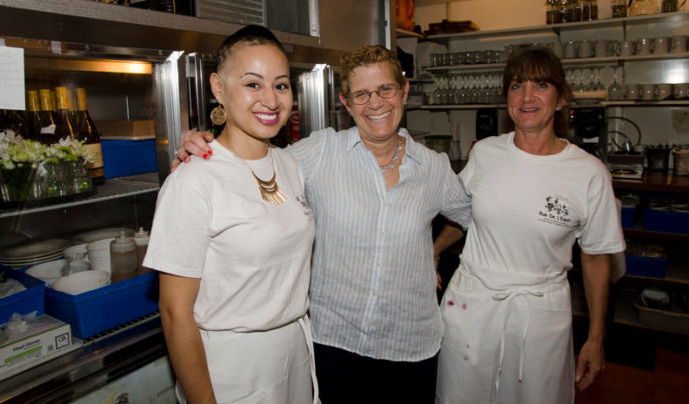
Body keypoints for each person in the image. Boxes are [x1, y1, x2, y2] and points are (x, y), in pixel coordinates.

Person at [174, 44, 471, 403]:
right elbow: (251, 164)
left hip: (410, 346)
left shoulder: (434, 168)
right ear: (346, 104)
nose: (375, 103)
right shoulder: (318, 154)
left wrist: (436, 250)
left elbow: (473, 218)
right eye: (361, 94)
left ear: (403, 91)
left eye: (385, 90)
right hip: (333, 345)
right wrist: (205, 145)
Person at [435, 45, 625, 404]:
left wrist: (596, 338)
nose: (526, 96)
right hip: (471, 306)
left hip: (539, 316)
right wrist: (433, 250)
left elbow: (597, 257)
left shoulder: (589, 174)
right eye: (516, 85)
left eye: (540, 85)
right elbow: (466, 216)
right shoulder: (486, 153)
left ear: (561, 98)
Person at [143, 25, 318, 404]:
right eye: (253, 84)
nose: (271, 100)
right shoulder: (193, 180)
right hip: (232, 367)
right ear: (218, 88)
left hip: (296, 353)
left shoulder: (289, 164)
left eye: (282, 85)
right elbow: (174, 312)